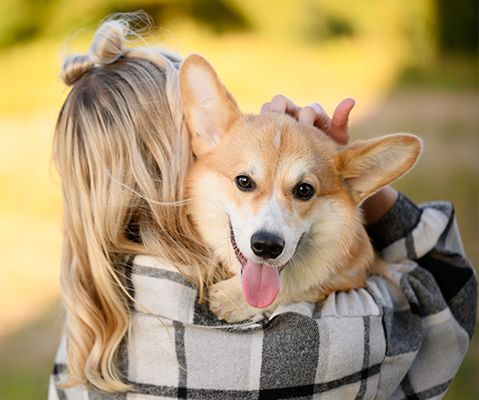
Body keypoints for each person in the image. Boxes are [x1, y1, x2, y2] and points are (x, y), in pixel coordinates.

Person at [48, 15, 477, 400]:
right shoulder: (337, 338)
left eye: (302, 191)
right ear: (189, 150)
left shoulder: (86, 331)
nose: (267, 226)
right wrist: (346, 176)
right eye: (244, 182)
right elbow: (449, 298)